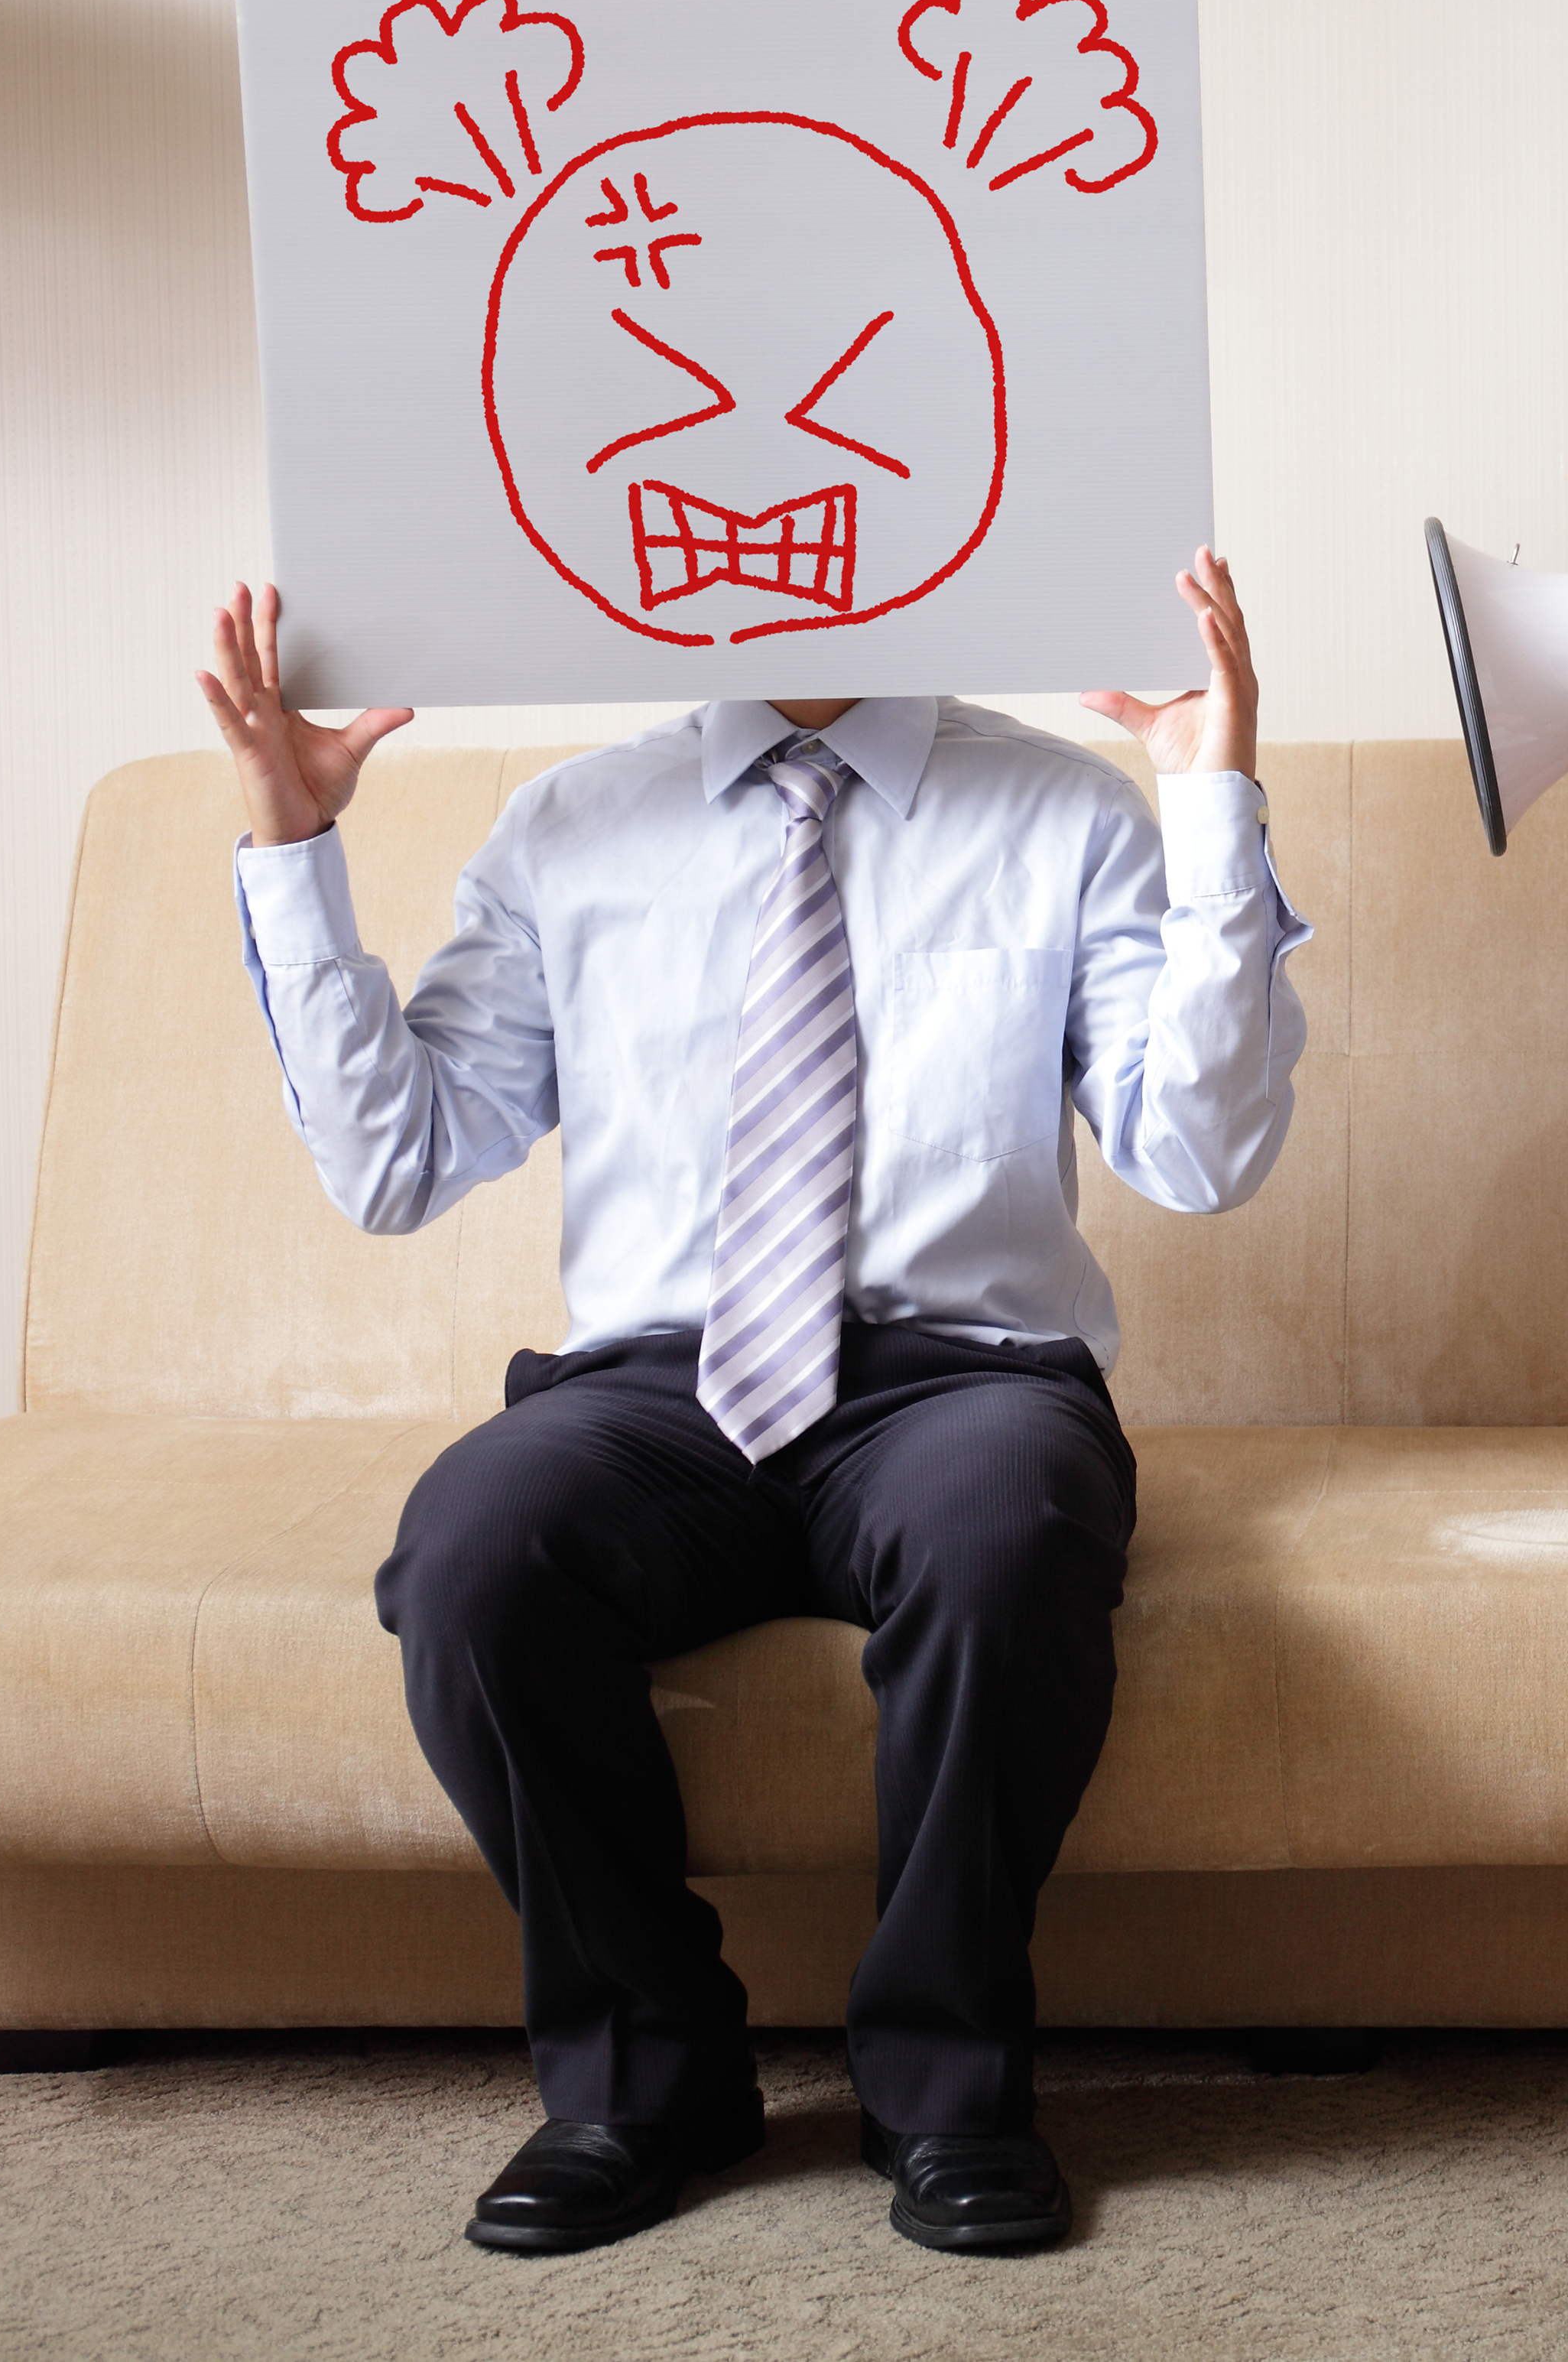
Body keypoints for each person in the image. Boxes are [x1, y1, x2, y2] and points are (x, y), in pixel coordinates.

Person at [195, 553, 1308, 2258]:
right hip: (661, 1389)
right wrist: (291, 845)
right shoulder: (569, 825)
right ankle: (646, 2080)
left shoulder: (1063, 810)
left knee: (1005, 1524)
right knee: (476, 1542)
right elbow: (397, 1160)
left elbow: (1203, 1151)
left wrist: (1210, 799)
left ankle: (947, 2086)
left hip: (963, 1379)